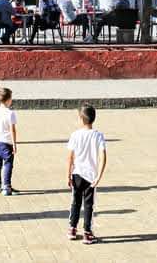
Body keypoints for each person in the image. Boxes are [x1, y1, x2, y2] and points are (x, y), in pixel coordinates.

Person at [66, 103, 107, 245]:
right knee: (89, 205)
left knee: (75, 202)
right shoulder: (98, 136)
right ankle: (87, 233)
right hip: (91, 177)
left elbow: (70, 157)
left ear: (81, 119)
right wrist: (99, 176)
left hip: (77, 174)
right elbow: (103, 157)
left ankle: (72, 228)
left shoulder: (75, 135)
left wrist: (68, 174)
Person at [0, 87, 19, 196]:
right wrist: (14, 144)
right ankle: (7, 187)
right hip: (6, 143)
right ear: (8, 100)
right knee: (8, 164)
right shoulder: (10, 113)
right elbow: (12, 130)